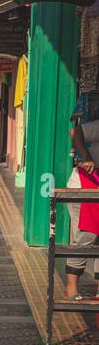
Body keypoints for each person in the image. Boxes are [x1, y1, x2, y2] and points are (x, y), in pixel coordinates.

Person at [66, 94, 99, 301]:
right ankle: (71, 289)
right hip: (86, 182)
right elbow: (75, 131)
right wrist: (86, 156)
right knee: (84, 237)